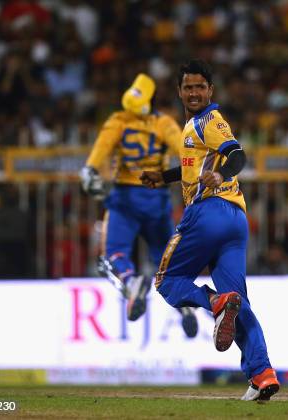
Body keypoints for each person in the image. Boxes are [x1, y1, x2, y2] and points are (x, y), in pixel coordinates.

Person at [140, 60, 279, 401]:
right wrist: (165, 177)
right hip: (234, 221)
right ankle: (262, 373)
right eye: (188, 87)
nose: (194, 92)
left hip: (207, 214)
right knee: (240, 302)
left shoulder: (208, 122)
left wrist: (222, 174)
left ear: (211, 91)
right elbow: (193, 166)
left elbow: (237, 155)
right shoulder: (193, 128)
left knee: (166, 281)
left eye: (200, 86)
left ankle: (215, 302)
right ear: (179, 91)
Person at [79, 73, 198, 338]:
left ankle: (132, 282)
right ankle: (185, 305)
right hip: (156, 199)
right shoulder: (164, 123)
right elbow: (186, 153)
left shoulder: (118, 121)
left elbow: (99, 152)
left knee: (114, 254)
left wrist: (89, 171)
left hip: (124, 199)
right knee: (166, 261)